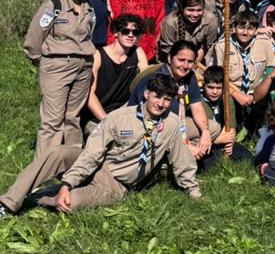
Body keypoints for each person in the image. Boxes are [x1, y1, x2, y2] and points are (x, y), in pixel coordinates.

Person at [1, 73, 200, 217]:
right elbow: (92, 153)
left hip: (116, 184)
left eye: (167, 100)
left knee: (71, 203)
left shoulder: (172, 124)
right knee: (58, 153)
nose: (161, 104)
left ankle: (35, 197)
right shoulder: (119, 117)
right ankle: (8, 203)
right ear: (147, 94)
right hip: (99, 165)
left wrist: (194, 193)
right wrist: (68, 182)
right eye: (157, 97)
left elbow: (181, 160)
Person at [23, 0, 97, 156]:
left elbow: (88, 35)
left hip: (83, 67)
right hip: (57, 66)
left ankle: (71, 162)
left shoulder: (88, 7)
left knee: (73, 117)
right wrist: (42, 62)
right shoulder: (53, 4)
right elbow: (34, 37)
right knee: (53, 120)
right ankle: (45, 166)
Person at [130, 41, 214, 161]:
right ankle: (169, 160)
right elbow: (150, 121)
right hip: (150, 127)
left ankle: (182, 157)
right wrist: (184, 145)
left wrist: (205, 132)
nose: (185, 65)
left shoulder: (189, 76)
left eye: (190, 61)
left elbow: (197, 106)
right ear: (170, 58)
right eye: (181, 60)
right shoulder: (158, 79)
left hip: (177, 123)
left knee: (213, 128)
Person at [210, 10, 275, 136]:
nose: (245, 32)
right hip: (233, 92)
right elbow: (218, 76)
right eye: (241, 28)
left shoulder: (265, 43)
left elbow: (271, 70)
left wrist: (258, 94)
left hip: (258, 93)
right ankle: (231, 131)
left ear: (256, 30)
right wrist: (236, 94)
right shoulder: (222, 46)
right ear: (234, 28)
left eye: (250, 29)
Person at [85, 14, 149, 125]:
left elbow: (145, 83)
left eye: (135, 32)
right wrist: (107, 121)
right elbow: (89, 94)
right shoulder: (98, 55)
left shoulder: (138, 52)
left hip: (124, 112)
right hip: (98, 115)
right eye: (125, 31)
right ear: (115, 32)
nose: (130, 35)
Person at [156, 0, 219, 65]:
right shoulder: (170, 22)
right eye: (190, 10)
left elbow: (207, 46)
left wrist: (194, 63)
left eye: (199, 10)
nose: (195, 14)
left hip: (198, 58)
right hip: (170, 58)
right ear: (182, 9)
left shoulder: (210, 20)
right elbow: (167, 49)